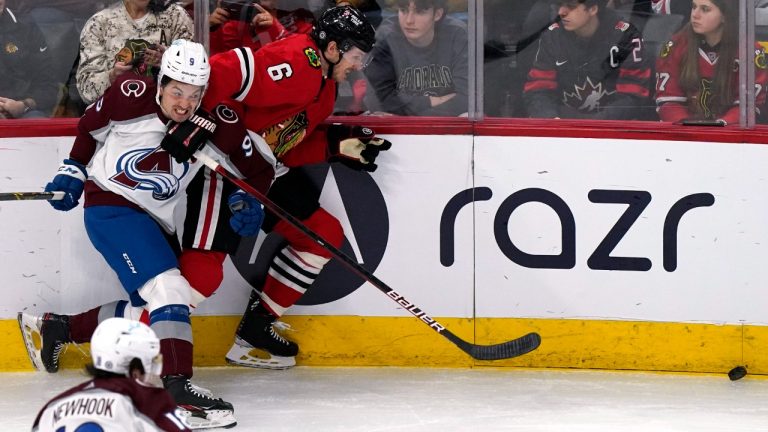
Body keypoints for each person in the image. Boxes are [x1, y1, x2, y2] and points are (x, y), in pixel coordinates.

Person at [18, 39, 275, 428]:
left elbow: (258, 170)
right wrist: (73, 169)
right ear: (162, 82)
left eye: (194, 94)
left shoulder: (215, 123)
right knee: (169, 289)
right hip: (111, 206)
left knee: (160, 304)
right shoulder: (130, 94)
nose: (185, 104)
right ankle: (175, 393)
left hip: (157, 221)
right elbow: (89, 129)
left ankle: (57, 328)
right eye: (177, 92)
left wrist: (249, 199)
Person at [198, 5, 391, 369]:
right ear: (332, 48)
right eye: (355, 57)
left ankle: (255, 329)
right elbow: (220, 72)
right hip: (224, 167)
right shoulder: (297, 61)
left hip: (262, 171)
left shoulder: (326, 85)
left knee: (322, 235)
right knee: (199, 275)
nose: (357, 66)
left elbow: (286, 142)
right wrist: (194, 127)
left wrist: (334, 147)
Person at [32, 317, 190, 432]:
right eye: (150, 361)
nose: (153, 371)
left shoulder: (52, 407)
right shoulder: (150, 402)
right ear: (135, 369)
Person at [523, 0, 652, 119]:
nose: (561, 12)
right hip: (563, 126)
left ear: (593, 9)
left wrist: (597, 125)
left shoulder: (626, 36)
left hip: (613, 129)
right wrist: (551, 119)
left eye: (571, 6)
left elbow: (633, 96)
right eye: (560, 5)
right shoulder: (552, 36)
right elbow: (538, 89)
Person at [655, 0, 768, 124]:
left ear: (725, 16)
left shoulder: (749, 51)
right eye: (694, 7)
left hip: (730, 133)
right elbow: (669, 103)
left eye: (705, 9)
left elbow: (747, 107)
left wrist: (719, 126)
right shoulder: (675, 46)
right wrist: (689, 128)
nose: (695, 15)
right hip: (684, 133)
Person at [76, 0, 194, 105]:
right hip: (116, 116)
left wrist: (169, 63)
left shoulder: (176, 17)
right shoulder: (99, 23)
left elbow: (194, 78)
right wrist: (112, 76)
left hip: (164, 114)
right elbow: (86, 91)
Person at [364, 0, 469, 116]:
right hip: (406, 125)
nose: (409, 21)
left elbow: (468, 100)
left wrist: (404, 113)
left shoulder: (457, 34)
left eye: (419, 12)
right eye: (403, 10)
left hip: (443, 125)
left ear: (437, 14)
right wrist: (434, 101)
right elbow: (377, 102)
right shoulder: (386, 37)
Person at [0, 0, 58, 118]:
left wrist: (24, 105)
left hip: (22, 112)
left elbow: (48, 86)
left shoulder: (26, 26)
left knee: (38, 121)